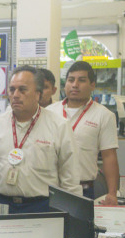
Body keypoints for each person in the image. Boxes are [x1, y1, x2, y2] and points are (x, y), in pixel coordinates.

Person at [0, 66, 80, 214]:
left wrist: (69, 211)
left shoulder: (59, 126)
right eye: (12, 90)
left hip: (42, 205)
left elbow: (70, 176)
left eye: (22, 90)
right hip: (0, 203)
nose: (16, 95)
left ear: (38, 94)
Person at [47, 61, 119, 204]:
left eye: (81, 80)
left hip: (84, 190)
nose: (74, 85)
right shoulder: (49, 112)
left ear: (92, 85)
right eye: (71, 80)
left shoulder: (104, 115)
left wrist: (112, 193)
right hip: (50, 188)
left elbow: (109, 156)